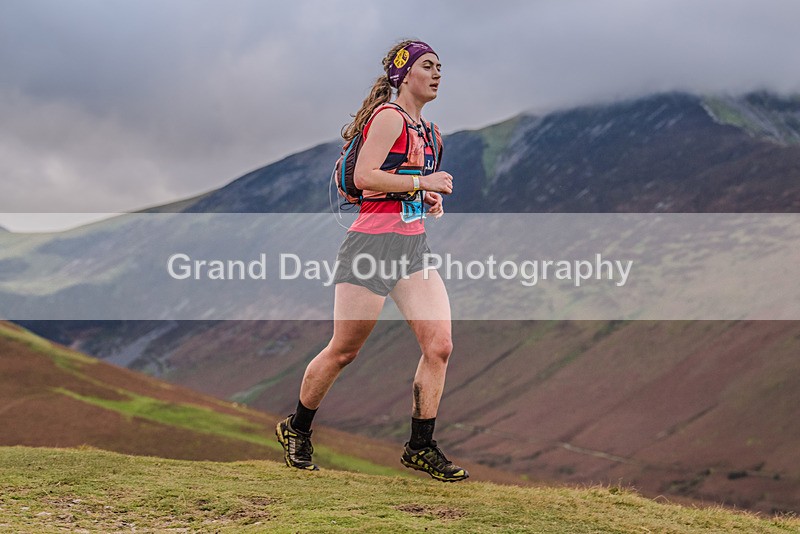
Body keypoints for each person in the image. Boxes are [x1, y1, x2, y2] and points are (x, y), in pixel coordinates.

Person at [276, 39, 468, 482]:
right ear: (404, 75)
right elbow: (364, 177)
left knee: (439, 345)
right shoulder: (388, 118)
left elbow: (400, 187)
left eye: (440, 67)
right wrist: (423, 180)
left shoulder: (430, 132)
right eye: (427, 66)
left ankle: (420, 446)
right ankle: (296, 428)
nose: (437, 73)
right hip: (369, 248)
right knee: (345, 351)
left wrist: (427, 198)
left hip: (412, 248)